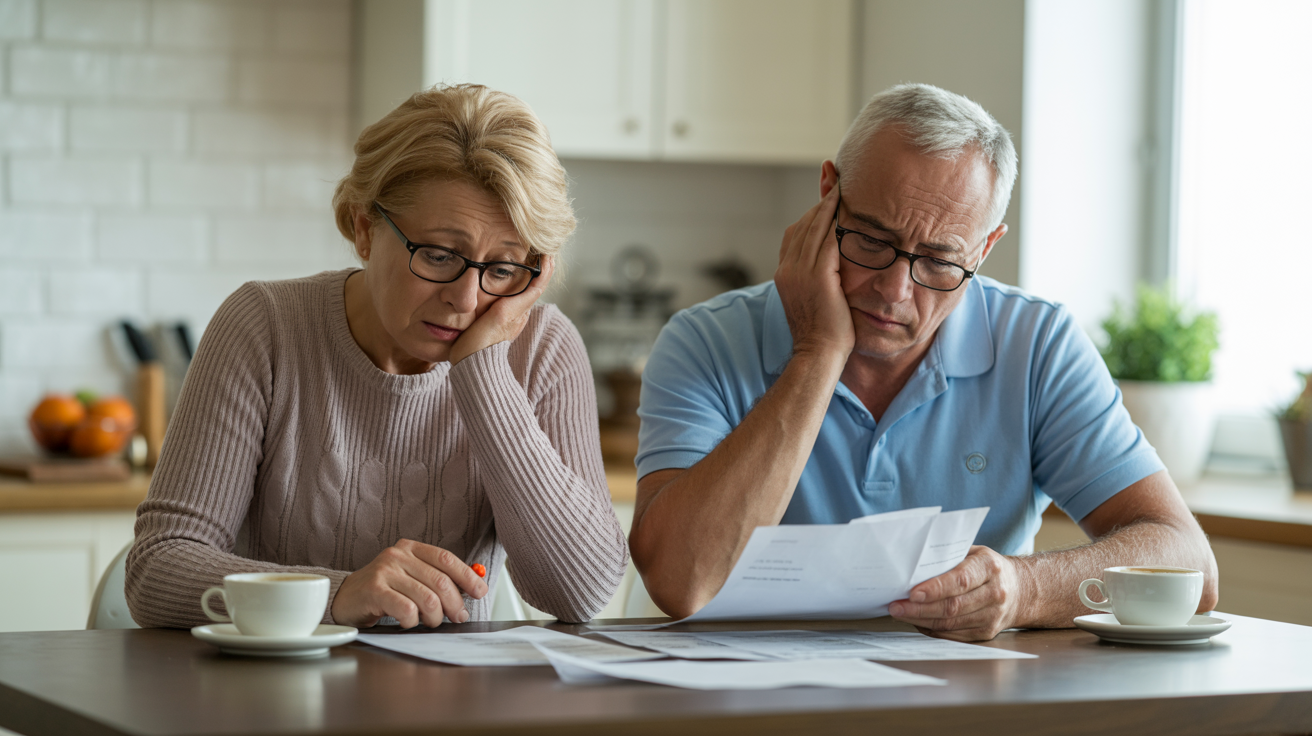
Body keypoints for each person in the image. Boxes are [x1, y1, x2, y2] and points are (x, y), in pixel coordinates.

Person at [629, 83, 1218, 641]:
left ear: (985, 249)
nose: (894, 291)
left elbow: (1189, 563)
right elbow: (680, 582)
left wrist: (1024, 589)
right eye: (871, 240)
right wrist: (816, 354)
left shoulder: (1037, 345)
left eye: (940, 261)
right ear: (827, 194)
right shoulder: (703, 342)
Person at [126, 84, 628, 629]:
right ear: (364, 228)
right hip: (275, 700)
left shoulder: (542, 348)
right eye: (438, 256)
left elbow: (581, 593)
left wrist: (482, 370)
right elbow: (157, 568)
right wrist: (336, 597)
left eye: (502, 269)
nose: (465, 300)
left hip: (459, 706)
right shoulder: (266, 325)